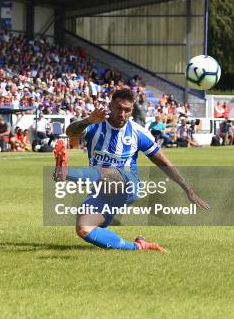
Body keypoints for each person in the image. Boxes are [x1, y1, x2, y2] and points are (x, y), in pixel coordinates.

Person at [55, 88, 209, 252]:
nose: (122, 114)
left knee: (106, 171)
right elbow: (70, 132)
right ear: (110, 106)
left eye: (127, 110)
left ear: (132, 110)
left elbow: (164, 163)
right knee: (84, 229)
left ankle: (67, 172)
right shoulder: (95, 125)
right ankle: (138, 246)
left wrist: (188, 190)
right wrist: (87, 120)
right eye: (118, 108)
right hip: (102, 189)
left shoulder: (138, 132)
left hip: (127, 184)